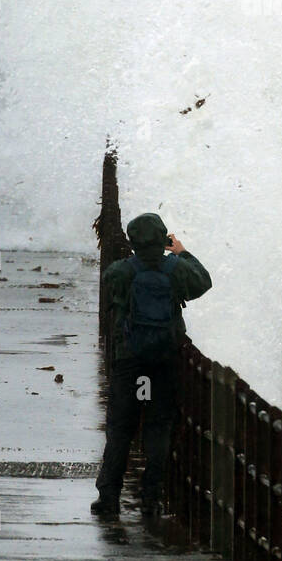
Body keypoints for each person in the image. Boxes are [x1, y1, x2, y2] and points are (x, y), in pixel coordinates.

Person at [91, 211, 211, 520]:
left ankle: (108, 498)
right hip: (163, 359)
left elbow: (110, 282)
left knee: (120, 429)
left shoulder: (122, 271)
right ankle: (151, 498)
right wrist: (181, 252)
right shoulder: (176, 270)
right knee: (158, 428)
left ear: (131, 242)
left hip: (130, 360)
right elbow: (203, 282)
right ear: (163, 239)